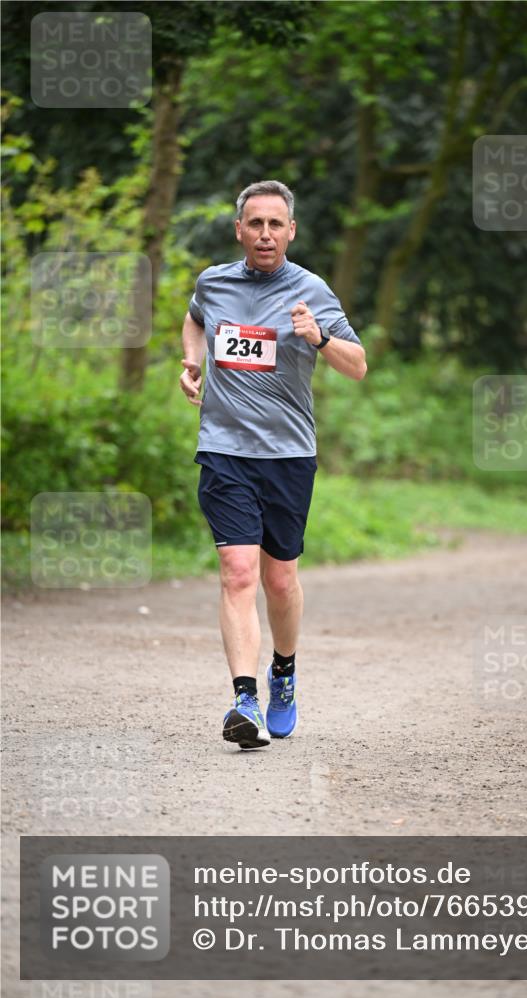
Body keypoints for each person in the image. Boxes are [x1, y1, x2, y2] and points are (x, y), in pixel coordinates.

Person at [179, 180, 367, 751]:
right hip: (224, 449)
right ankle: (243, 699)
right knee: (238, 573)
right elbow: (194, 319)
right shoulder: (213, 282)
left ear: (291, 231)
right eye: (254, 224)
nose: (265, 234)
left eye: (275, 225)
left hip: (288, 455)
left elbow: (357, 365)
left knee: (279, 579)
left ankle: (283, 671)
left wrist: (319, 339)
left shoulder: (311, 290)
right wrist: (192, 360)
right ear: (239, 230)